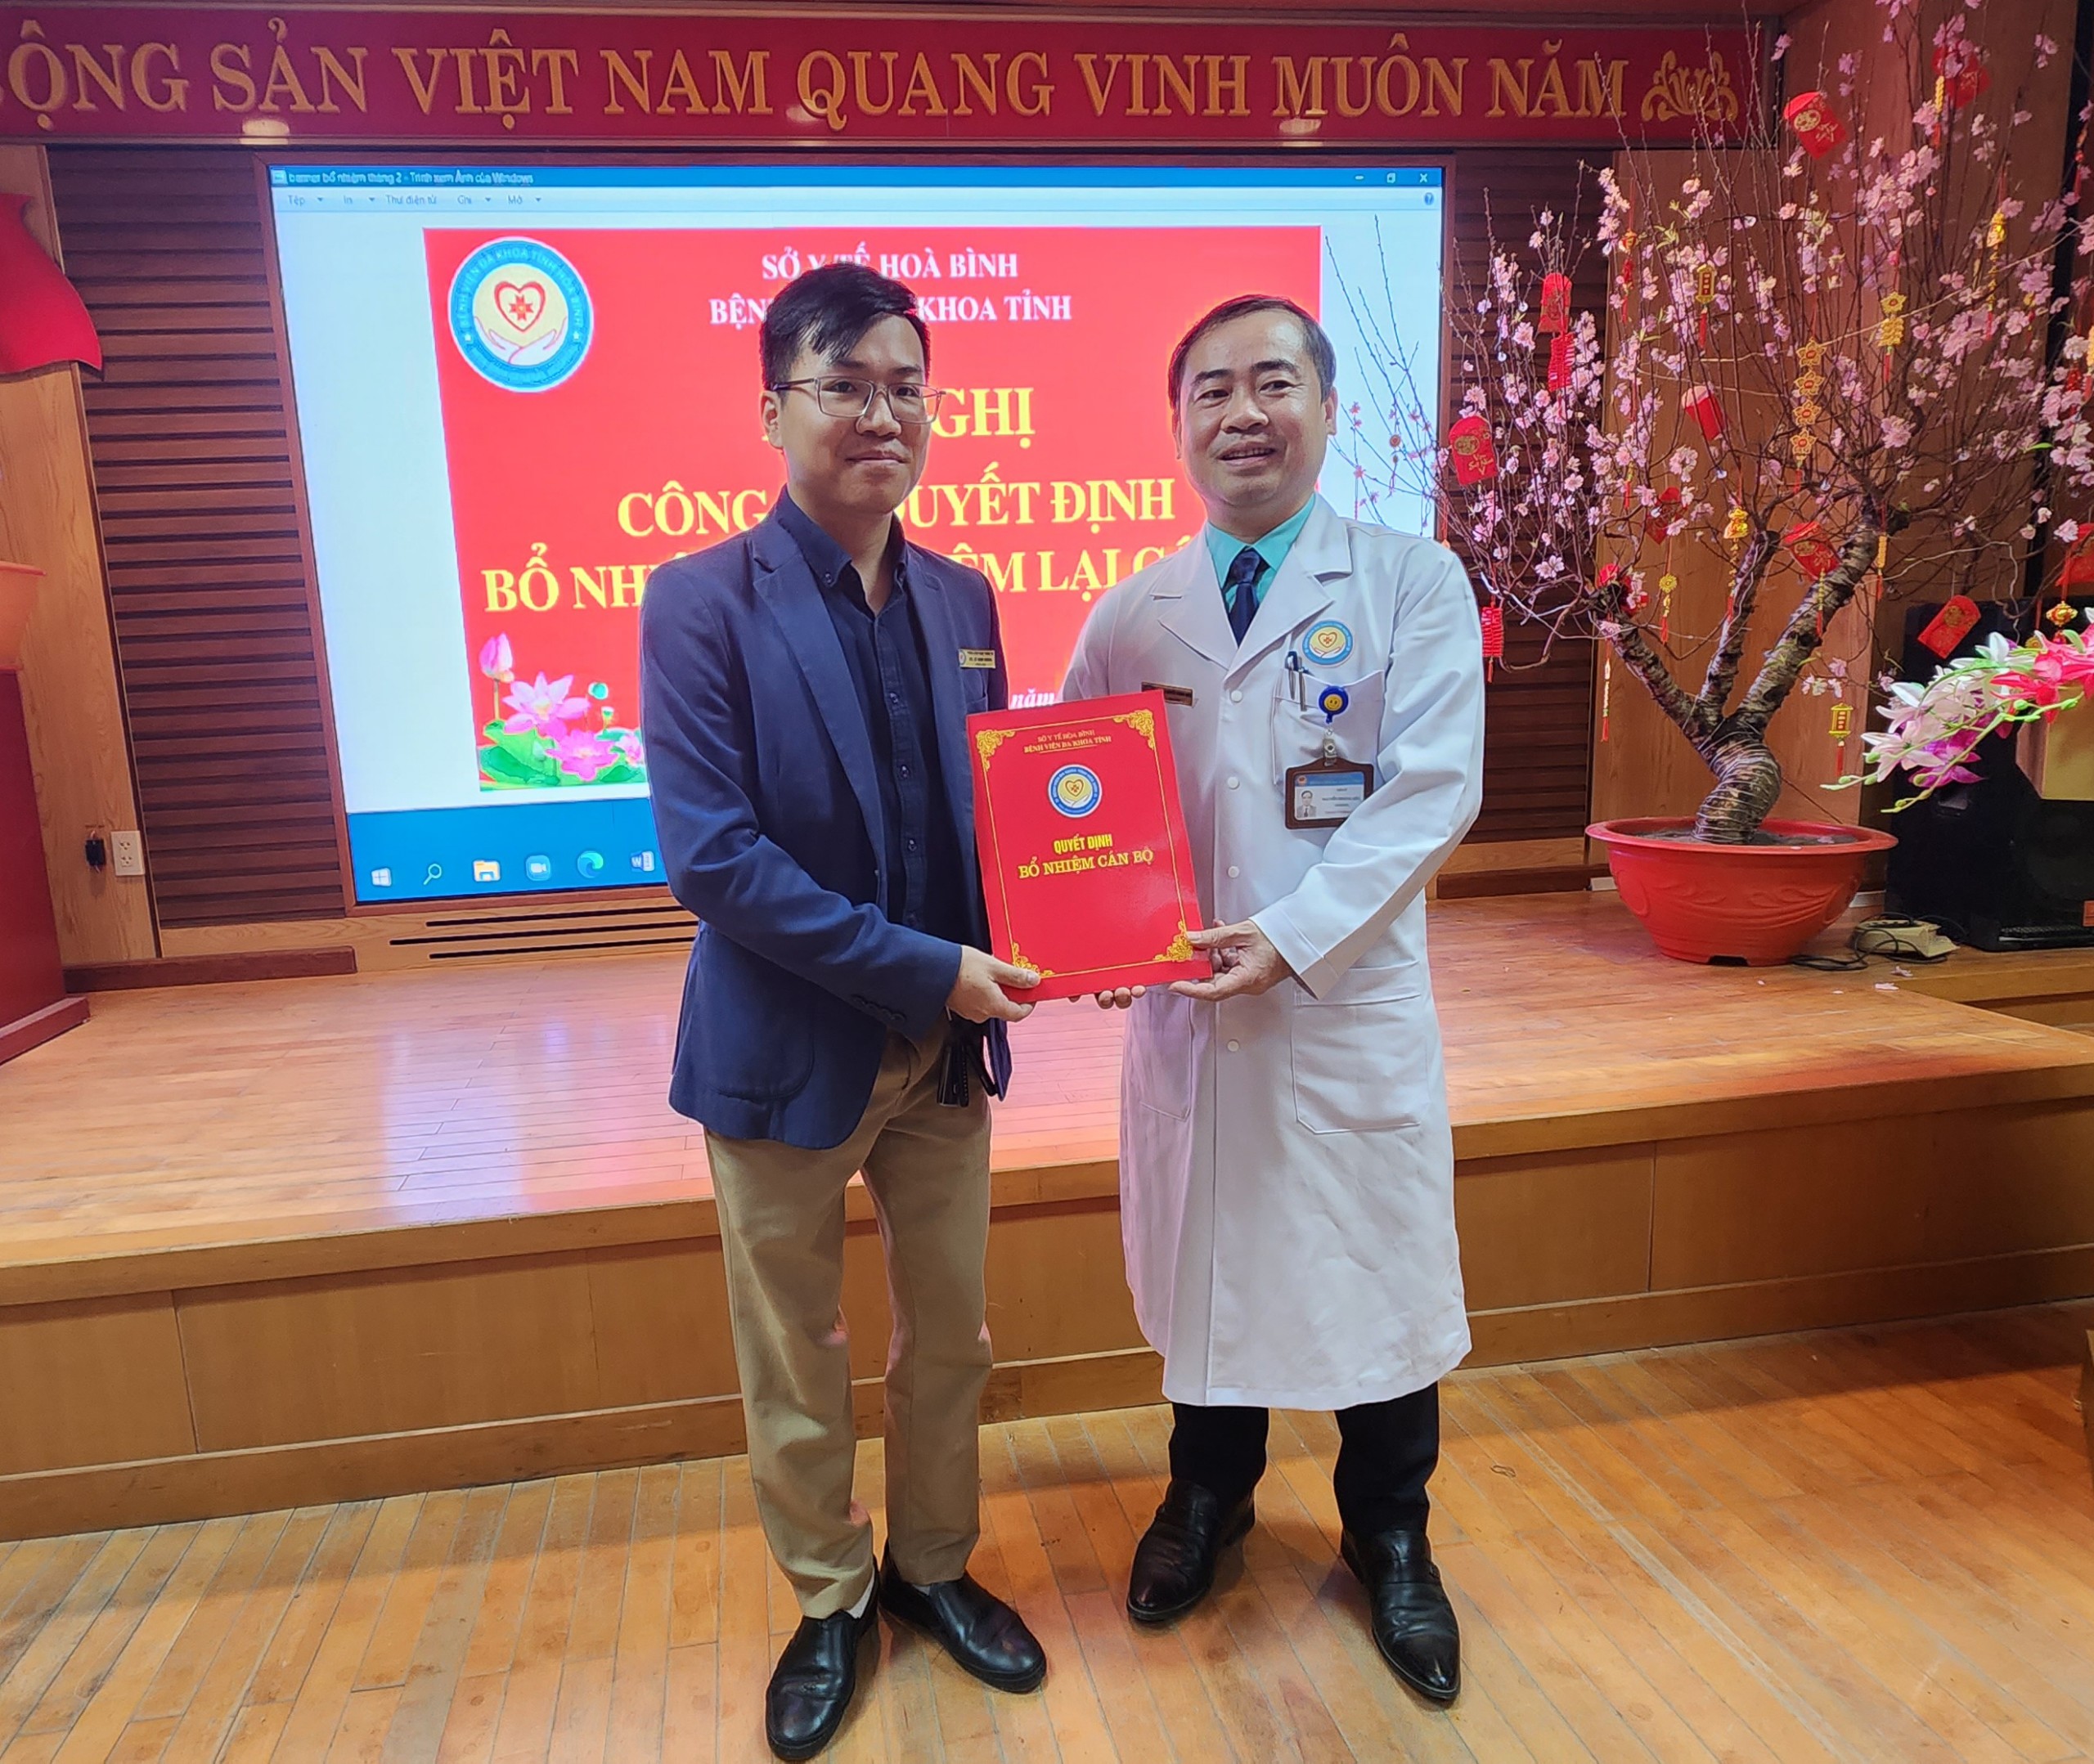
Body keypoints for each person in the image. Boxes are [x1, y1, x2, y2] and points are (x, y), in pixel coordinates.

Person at [640, 262, 1047, 1762]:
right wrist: (928, 967)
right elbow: (715, 859)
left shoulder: (964, 596)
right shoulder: (699, 600)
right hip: (784, 1053)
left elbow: (987, 815)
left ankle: (932, 1566)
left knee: (951, 1337)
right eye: (846, 386)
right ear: (775, 410)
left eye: (906, 387)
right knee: (796, 1348)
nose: (884, 415)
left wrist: (1069, 919)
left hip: (943, 1060)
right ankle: (830, 1596)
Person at [1060, 294, 1485, 1705]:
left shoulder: (1410, 583)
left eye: (1273, 383)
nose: (1243, 413)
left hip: (1339, 1000)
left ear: (1327, 408)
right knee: (1211, 1258)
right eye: (1212, 391)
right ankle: (1207, 1498)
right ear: (1177, 424)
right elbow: (1067, 788)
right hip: (1191, 1011)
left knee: (1376, 1268)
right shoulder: (1134, 612)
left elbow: (1433, 790)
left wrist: (1294, 936)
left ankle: (1392, 1532)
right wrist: (1084, 931)